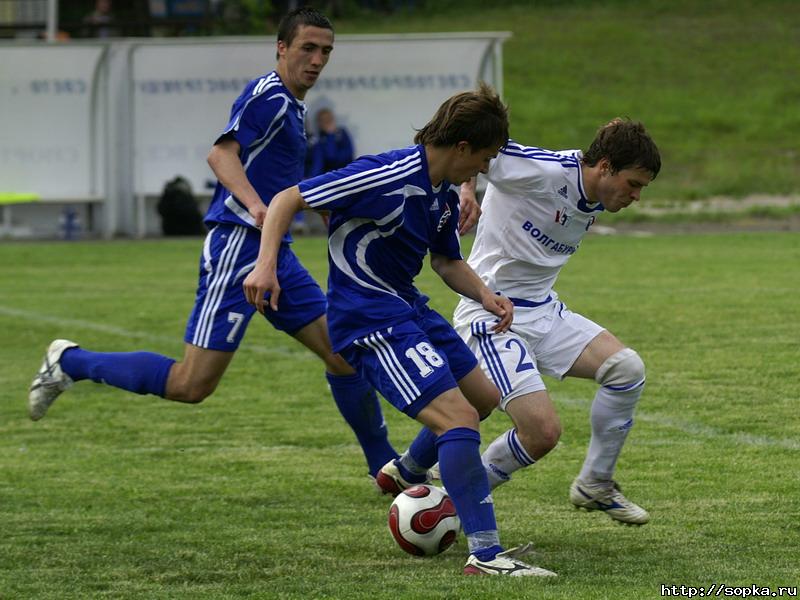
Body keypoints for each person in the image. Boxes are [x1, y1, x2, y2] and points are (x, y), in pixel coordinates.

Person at [27, 7, 398, 479]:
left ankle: (385, 467)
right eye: (308, 47)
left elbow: (273, 171)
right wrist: (260, 210)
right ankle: (70, 361)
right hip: (237, 250)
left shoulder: (292, 104)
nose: (317, 59)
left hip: (272, 253)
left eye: (325, 51)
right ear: (282, 47)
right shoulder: (269, 95)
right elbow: (221, 155)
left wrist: (314, 203)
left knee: (343, 354)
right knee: (191, 384)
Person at [243, 83, 556, 577]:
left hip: (408, 306)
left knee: (482, 398)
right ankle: (487, 555)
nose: (482, 170)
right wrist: (266, 267)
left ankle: (407, 470)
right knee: (458, 421)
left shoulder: (443, 196)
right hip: (368, 317)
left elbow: (446, 260)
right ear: (461, 147)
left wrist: (485, 295)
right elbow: (285, 200)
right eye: (483, 158)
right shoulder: (384, 173)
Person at [382, 118, 661, 526]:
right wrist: (466, 190)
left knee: (626, 369)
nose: (636, 196)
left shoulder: (598, 186)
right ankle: (447, 506)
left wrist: (619, 130)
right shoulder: (543, 170)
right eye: (633, 184)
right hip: (493, 315)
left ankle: (595, 483)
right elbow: (479, 152)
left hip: (545, 311)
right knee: (540, 433)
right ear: (604, 167)